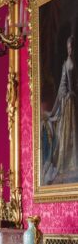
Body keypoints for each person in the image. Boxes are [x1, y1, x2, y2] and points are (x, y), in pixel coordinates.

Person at [46, 35, 78, 182]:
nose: (70, 49)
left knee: (69, 130)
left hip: (68, 100)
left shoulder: (70, 63)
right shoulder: (68, 63)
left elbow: (70, 85)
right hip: (66, 100)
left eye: (71, 47)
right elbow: (64, 87)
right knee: (66, 130)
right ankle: (66, 163)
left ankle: (69, 163)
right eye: (68, 47)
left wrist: (71, 94)